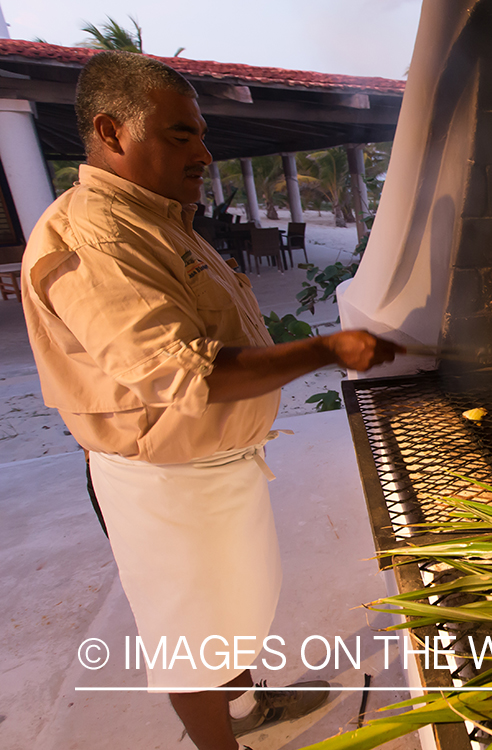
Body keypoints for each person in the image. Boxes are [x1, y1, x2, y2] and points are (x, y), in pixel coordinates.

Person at [20, 51, 402, 750]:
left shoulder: (156, 214)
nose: (203, 151)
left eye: (198, 132)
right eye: (179, 135)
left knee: (220, 616)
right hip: (166, 479)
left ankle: (249, 709)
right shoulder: (97, 237)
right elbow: (182, 374)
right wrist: (324, 349)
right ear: (111, 131)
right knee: (187, 637)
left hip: (211, 462)